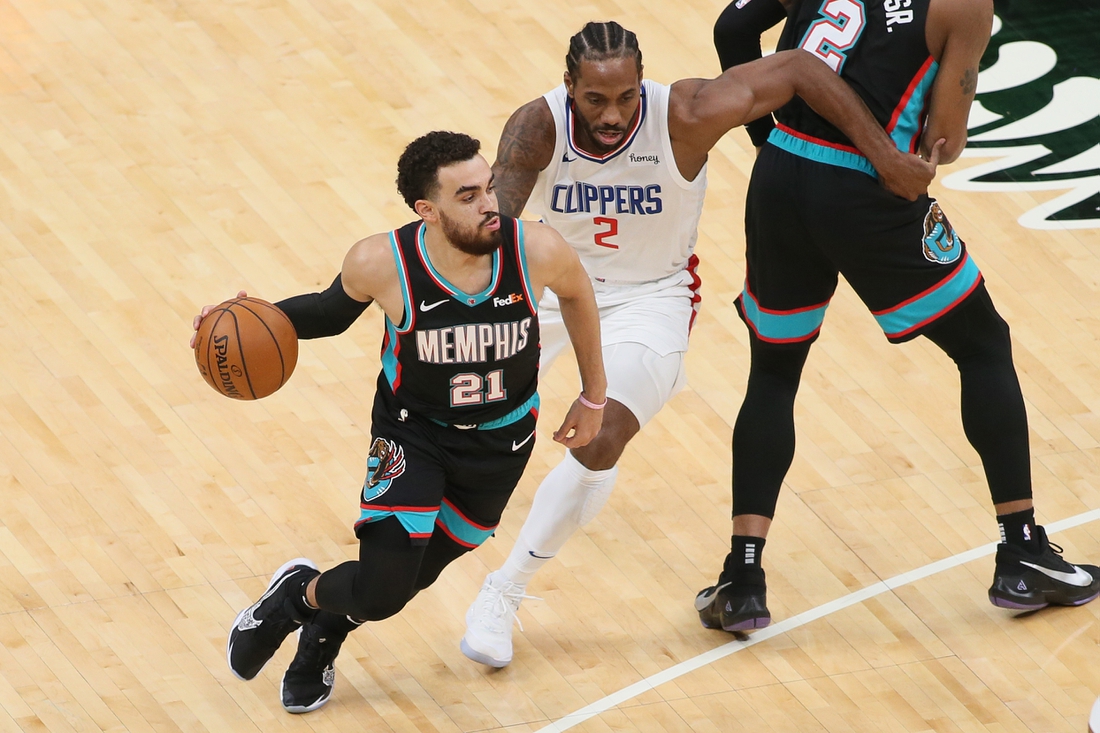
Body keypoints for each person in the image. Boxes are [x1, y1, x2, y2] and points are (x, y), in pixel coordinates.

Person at [460, 19, 939, 669]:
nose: (612, 114)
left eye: (626, 96)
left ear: (642, 85)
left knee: (603, 438)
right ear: (568, 86)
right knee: (450, 393)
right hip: (552, 284)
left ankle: (504, 588)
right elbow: (498, 233)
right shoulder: (537, 126)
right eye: (595, 99)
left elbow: (799, 67)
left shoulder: (686, 114)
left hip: (651, 299)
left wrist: (881, 152)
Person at [697, 0, 1100, 634]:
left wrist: (766, 136)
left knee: (774, 371)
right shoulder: (962, 5)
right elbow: (947, 140)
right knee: (984, 345)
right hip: (866, 188)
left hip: (780, 174)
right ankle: (1022, 552)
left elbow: (734, 28)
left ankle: (743, 577)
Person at [195, 131, 608, 713]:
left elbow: (578, 294)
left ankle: (326, 630)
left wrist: (594, 396)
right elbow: (326, 314)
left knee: (413, 576)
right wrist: (239, 317)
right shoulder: (382, 262)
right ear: (428, 211)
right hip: (412, 435)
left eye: (488, 187)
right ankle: (294, 602)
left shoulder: (535, 249)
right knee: (385, 590)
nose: (490, 203)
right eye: (468, 196)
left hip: (502, 442)